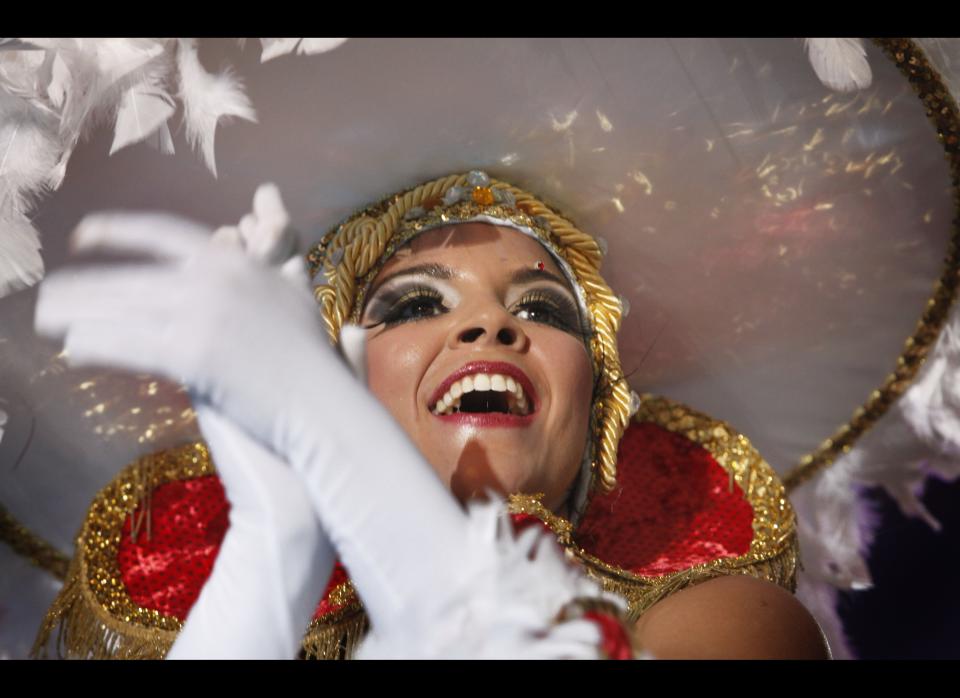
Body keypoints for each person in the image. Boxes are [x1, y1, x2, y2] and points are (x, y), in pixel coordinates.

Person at [32, 172, 828, 659]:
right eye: (417, 303)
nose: (491, 327)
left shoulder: (727, 624)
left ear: (595, 406)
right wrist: (275, 550)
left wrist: (327, 435)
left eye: (544, 310)